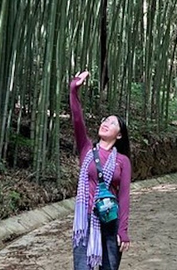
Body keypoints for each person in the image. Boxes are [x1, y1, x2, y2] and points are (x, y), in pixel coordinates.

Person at [70, 70, 132, 270]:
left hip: (110, 222)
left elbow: (124, 197)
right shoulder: (87, 149)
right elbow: (78, 121)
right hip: (85, 221)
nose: (106, 123)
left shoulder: (123, 161)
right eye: (105, 120)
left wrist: (123, 231)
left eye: (112, 122)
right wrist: (73, 91)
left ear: (120, 135)